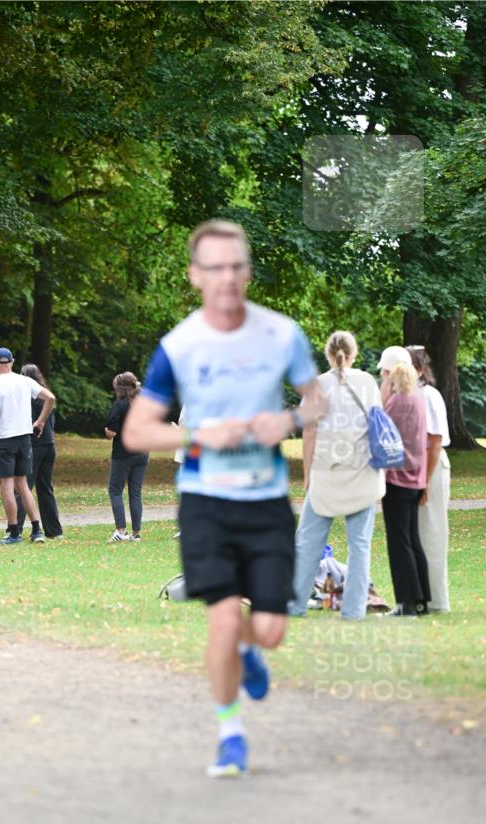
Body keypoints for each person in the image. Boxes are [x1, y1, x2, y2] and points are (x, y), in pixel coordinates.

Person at [123, 219, 325, 777]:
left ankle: (249, 650)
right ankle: (230, 735)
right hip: (205, 500)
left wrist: (287, 419)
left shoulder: (281, 333)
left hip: (266, 501)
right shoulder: (179, 346)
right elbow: (137, 431)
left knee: (270, 629)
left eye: (236, 266)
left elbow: (318, 402)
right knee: (221, 619)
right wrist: (199, 435)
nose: (227, 277)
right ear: (195, 275)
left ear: (248, 270)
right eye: (214, 268)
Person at [289, 331, 385, 620]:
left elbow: (309, 432)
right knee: (360, 545)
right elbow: (377, 425)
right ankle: (354, 610)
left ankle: (295, 604)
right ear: (353, 354)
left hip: (326, 473)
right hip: (362, 472)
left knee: (307, 542)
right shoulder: (367, 383)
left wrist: (307, 474)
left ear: (328, 355)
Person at [0, 347, 55, 544]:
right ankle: (37, 530)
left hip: (4, 440)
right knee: (23, 485)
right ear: (12, 362)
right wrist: (40, 421)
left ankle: (14, 532)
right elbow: (50, 398)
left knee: (7, 486)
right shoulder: (25, 381)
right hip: (25, 439)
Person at [378, 349, 430, 617]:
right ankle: (421, 600)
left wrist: (383, 393)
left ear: (389, 373)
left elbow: (380, 429)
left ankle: (406, 603)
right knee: (412, 539)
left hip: (397, 479)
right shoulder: (418, 396)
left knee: (399, 542)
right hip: (415, 478)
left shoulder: (398, 401)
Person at [406, 345, 451, 613]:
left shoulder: (430, 396)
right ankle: (420, 596)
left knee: (432, 532)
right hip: (414, 468)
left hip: (430, 468)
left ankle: (437, 601)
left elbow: (434, 442)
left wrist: (424, 481)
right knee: (416, 535)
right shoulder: (406, 396)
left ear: (420, 369)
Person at [15, 363, 64, 540]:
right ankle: (54, 531)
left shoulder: (27, 398)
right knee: (46, 489)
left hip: (33, 446)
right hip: (49, 445)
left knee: (23, 488)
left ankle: (16, 528)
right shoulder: (47, 396)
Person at [104, 372, 149, 542]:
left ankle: (121, 531)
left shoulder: (120, 405)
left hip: (123, 454)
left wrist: (106, 430)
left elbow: (111, 432)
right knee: (135, 492)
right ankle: (135, 534)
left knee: (115, 490)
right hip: (142, 452)